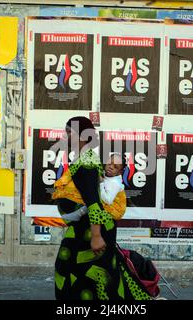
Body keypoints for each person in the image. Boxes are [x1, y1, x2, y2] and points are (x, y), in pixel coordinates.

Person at [53, 116, 152, 300]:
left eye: (68, 133)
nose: (64, 138)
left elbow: (94, 202)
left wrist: (97, 236)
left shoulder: (88, 161)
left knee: (80, 274)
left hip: (91, 229)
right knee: (95, 276)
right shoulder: (86, 159)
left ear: (82, 136)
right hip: (86, 227)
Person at [58, 152, 127, 222]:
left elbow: (108, 200)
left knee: (93, 198)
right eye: (109, 163)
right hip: (107, 203)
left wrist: (101, 183)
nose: (111, 167)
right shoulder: (105, 173)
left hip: (115, 210)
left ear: (120, 172)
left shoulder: (115, 183)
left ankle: (79, 214)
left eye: (115, 167)